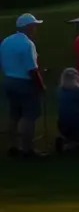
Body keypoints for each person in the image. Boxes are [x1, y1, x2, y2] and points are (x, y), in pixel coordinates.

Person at [1, 13, 47, 158]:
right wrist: (41, 86)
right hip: (24, 82)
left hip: (9, 79)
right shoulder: (28, 44)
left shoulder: (6, 41)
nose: (35, 29)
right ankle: (27, 149)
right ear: (28, 27)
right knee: (29, 116)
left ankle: (12, 146)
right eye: (34, 26)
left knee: (14, 114)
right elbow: (32, 69)